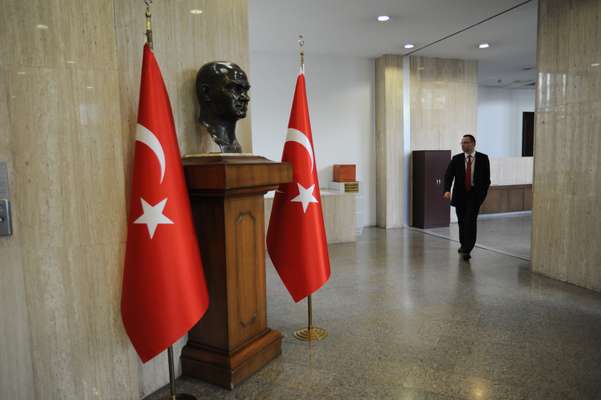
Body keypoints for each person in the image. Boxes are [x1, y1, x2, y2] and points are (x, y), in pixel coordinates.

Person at [443, 134, 491, 260]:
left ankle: (468, 248)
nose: (464, 145)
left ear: (473, 144)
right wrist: (447, 190)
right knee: (462, 221)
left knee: (470, 220)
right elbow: (448, 175)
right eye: (462, 143)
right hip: (460, 195)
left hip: (475, 196)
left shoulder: (483, 158)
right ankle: (463, 244)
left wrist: (482, 195)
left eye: (466, 142)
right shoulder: (456, 159)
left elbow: (487, 180)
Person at [196, 61, 250, 153]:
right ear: (206, 93)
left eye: (245, 91)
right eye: (235, 89)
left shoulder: (233, 144)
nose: (246, 98)